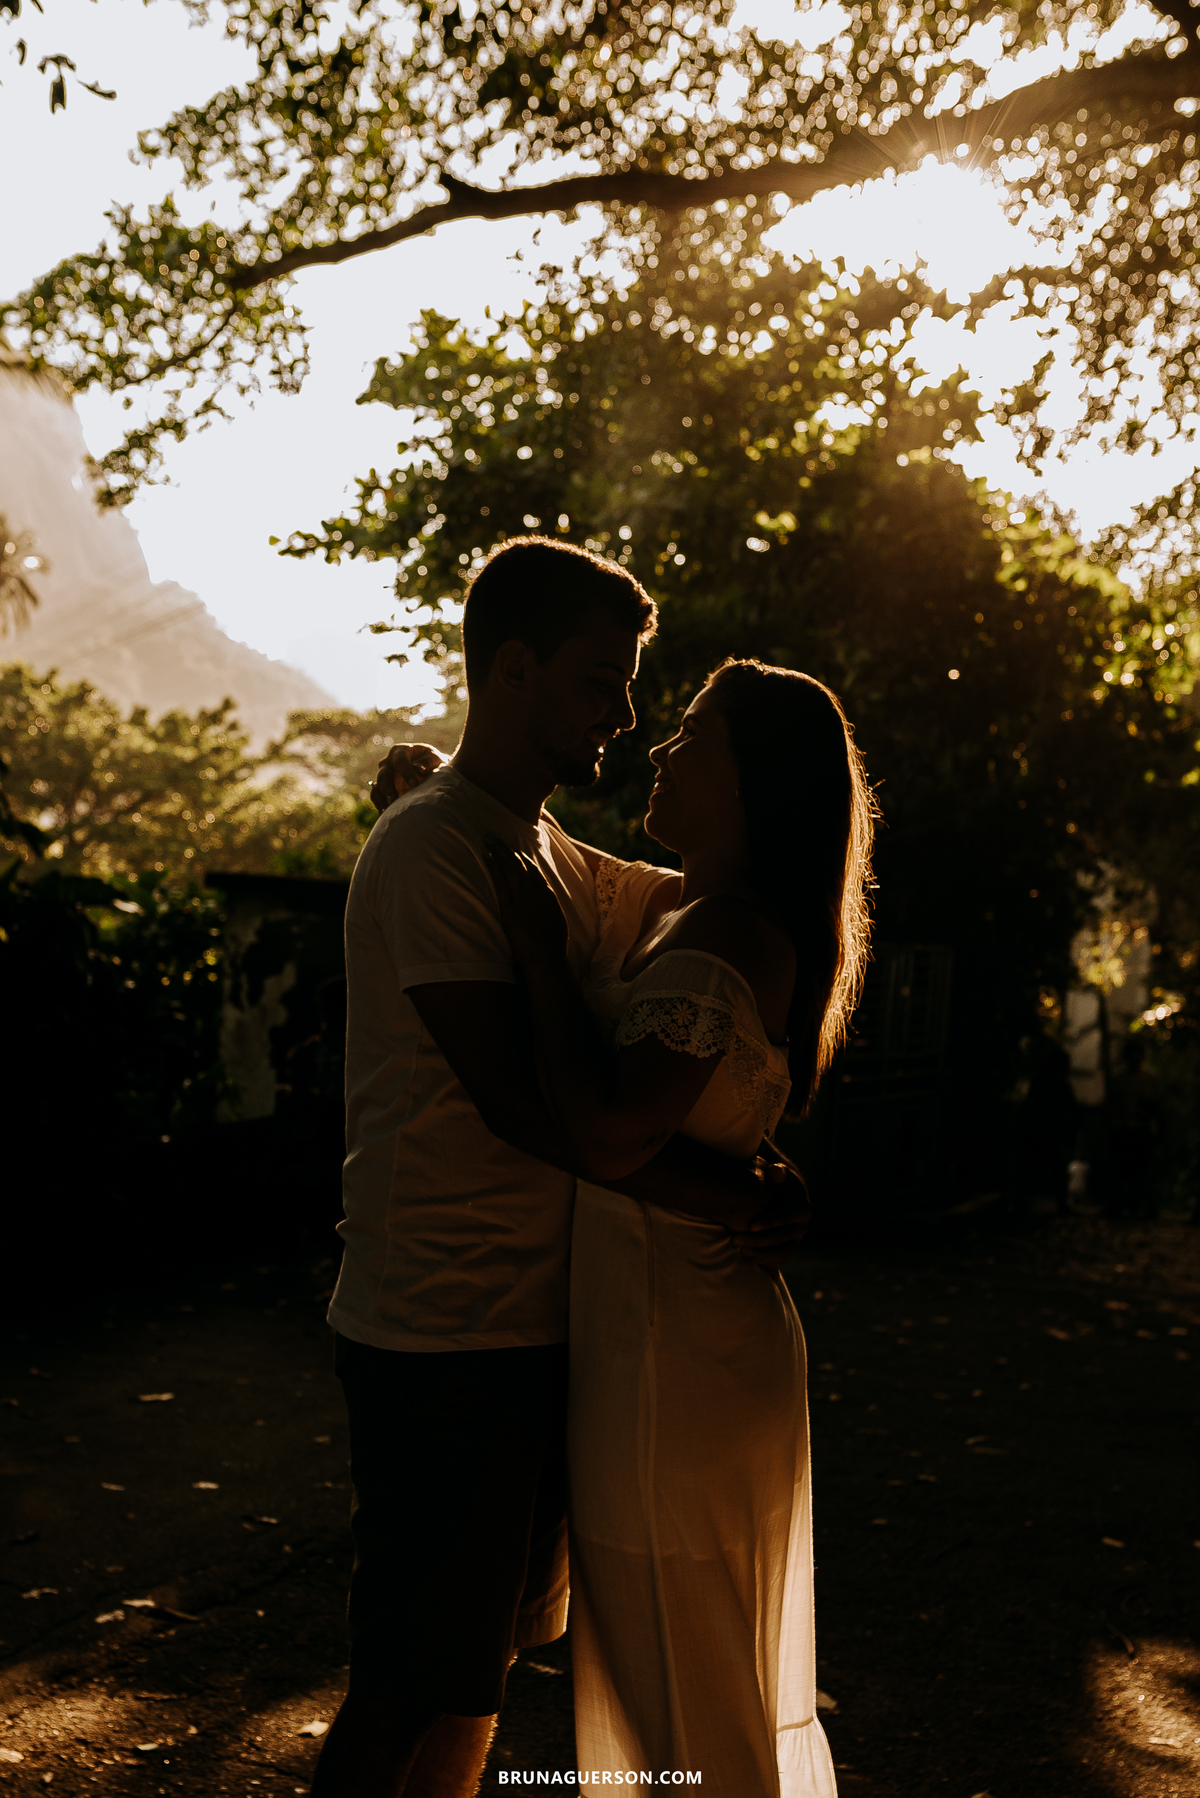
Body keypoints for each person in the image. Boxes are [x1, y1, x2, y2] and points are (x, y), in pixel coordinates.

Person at [311, 541, 809, 1798]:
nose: (627, 715)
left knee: (472, 1683)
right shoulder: (436, 855)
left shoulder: (545, 855)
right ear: (514, 670)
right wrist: (724, 1196)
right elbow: (532, 1110)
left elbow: (704, 907)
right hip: (439, 1333)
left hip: (536, 1339)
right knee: (405, 1687)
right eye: (602, 680)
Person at [487, 658, 875, 1796]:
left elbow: (609, 1135)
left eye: (691, 735)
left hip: (681, 1358)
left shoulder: (726, 936)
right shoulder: (688, 904)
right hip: (668, 1332)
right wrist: (435, 788)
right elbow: (570, 862)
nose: (660, 747)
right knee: (675, 1665)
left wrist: (538, 963)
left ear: (750, 779)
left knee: (683, 1668)